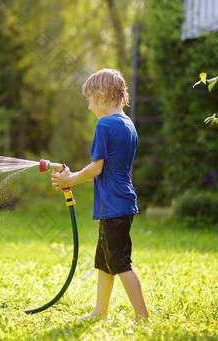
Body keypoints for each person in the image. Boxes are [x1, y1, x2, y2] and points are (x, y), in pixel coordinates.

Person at [51, 68, 148, 323]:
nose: (89, 107)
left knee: (121, 263)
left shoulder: (105, 124)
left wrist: (70, 179)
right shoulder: (128, 124)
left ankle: (142, 318)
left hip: (114, 206)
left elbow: (97, 167)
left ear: (102, 95)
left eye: (90, 101)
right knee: (105, 262)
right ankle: (100, 311)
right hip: (120, 204)